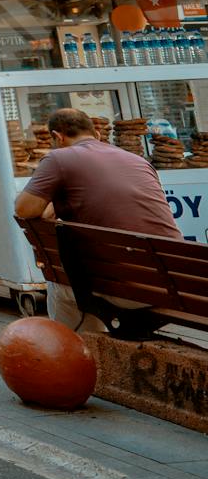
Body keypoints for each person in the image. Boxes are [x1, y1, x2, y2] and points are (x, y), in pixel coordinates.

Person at [14, 106, 181, 329]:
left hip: (126, 290)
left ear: (57, 137)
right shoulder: (138, 160)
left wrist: (53, 201)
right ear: (98, 135)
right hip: (175, 283)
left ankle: (77, 351)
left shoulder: (59, 158)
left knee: (60, 282)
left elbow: (24, 209)